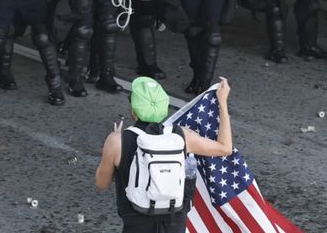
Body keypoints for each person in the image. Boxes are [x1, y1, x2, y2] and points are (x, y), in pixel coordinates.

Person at [95, 76, 234, 233]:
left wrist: (115, 142)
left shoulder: (117, 141)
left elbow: (102, 183)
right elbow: (225, 148)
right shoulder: (183, 136)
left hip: (136, 223)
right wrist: (222, 103)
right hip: (174, 223)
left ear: (134, 110)